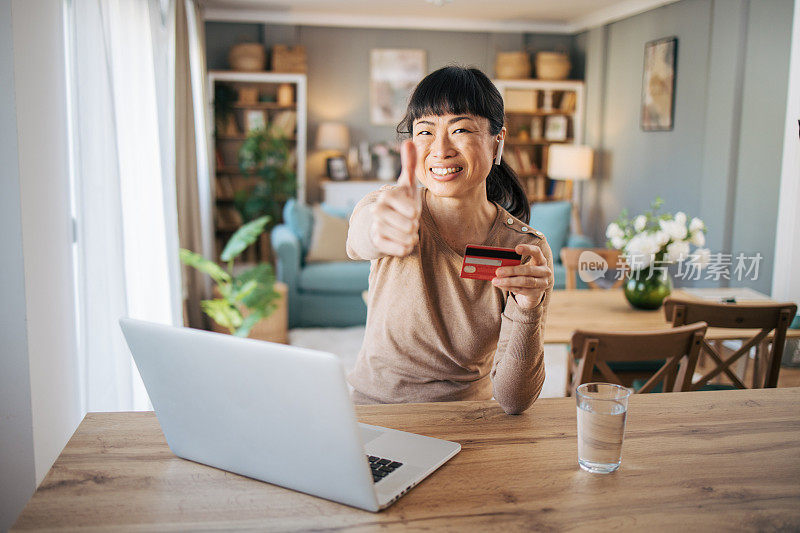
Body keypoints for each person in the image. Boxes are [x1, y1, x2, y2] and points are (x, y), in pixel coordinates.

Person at [346, 66, 553, 414]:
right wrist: (378, 229)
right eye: (425, 132)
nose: (440, 150)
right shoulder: (388, 205)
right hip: (376, 412)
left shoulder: (523, 250)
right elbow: (361, 236)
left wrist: (529, 309)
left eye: (460, 129)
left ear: (497, 140)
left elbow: (514, 401)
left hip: (464, 421)